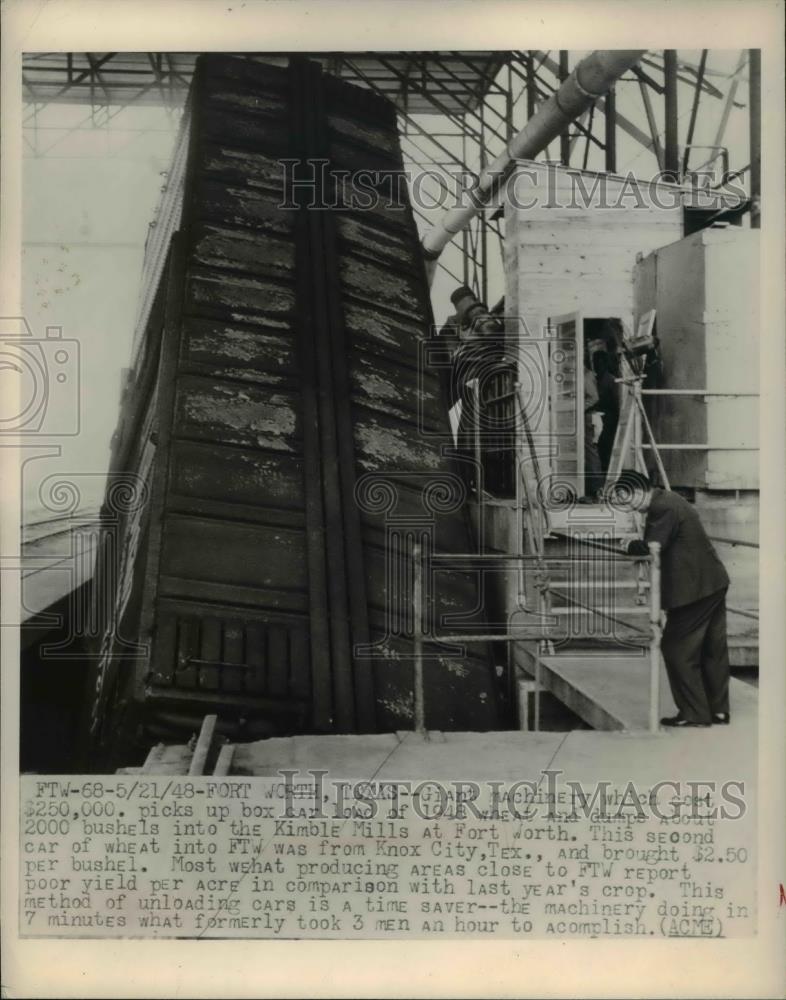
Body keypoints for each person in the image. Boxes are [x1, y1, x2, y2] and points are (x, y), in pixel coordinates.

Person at [613, 470, 731, 728]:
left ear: (638, 491)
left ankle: (695, 714)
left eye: (627, 499)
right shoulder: (669, 499)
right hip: (712, 582)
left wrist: (628, 545)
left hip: (693, 591)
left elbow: (653, 546)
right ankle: (719, 710)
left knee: (676, 649)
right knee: (712, 649)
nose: (628, 506)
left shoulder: (661, 507)